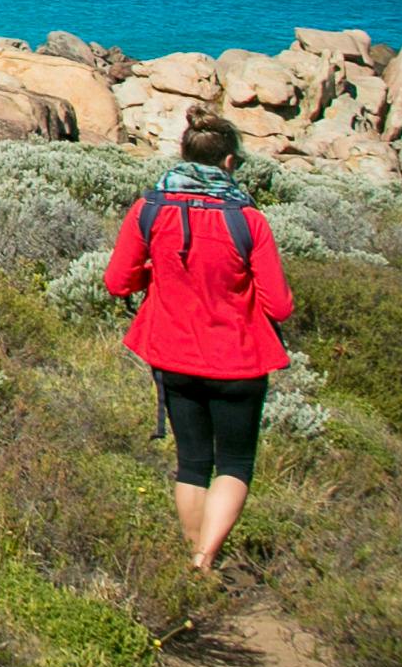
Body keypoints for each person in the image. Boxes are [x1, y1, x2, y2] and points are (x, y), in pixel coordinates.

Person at [103, 114, 295, 572]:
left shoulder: (149, 209)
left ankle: (196, 562)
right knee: (234, 464)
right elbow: (280, 305)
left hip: (174, 357)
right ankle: (205, 556)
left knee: (192, 464)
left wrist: (157, 275)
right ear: (229, 162)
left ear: (183, 155)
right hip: (239, 361)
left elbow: (117, 282)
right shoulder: (248, 219)